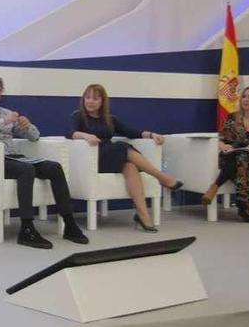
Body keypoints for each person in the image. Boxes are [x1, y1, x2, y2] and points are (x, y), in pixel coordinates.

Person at [0, 72, 88, 249]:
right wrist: (1, 122)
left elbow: (35, 137)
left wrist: (28, 126)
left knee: (54, 167)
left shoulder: (6, 112)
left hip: (14, 157)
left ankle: (69, 223)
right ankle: (27, 229)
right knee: (26, 170)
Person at [66, 83, 184, 233]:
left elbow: (131, 132)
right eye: (87, 97)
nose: (90, 101)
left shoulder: (110, 119)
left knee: (130, 166)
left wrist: (151, 134)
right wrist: (85, 136)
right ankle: (161, 176)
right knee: (121, 146)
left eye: (95, 98)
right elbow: (69, 133)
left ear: (102, 101)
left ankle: (143, 215)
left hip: (111, 157)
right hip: (92, 160)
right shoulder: (78, 116)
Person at [200, 85, 249, 222]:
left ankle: (215, 186)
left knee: (243, 157)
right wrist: (223, 146)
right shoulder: (232, 117)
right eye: (244, 96)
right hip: (230, 155)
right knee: (237, 156)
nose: (245, 100)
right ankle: (215, 188)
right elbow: (221, 140)